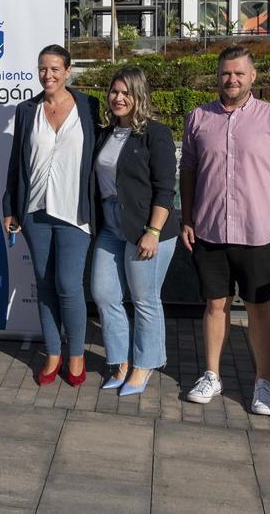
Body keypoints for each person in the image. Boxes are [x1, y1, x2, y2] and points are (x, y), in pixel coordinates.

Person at [179, 45, 270, 415]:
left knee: (258, 307)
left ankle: (263, 382)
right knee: (215, 305)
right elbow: (188, 171)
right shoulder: (198, 117)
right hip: (211, 231)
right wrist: (187, 218)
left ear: (252, 77)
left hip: (257, 233)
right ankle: (212, 374)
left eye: (238, 73)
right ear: (218, 77)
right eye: (225, 73)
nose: (231, 79)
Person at [3, 44, 100, 387]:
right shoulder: (27, 109)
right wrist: (9, 207)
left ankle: (76, 355)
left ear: (68, 71)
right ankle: (53, 353)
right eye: (43, 68)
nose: (48, 75)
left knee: (68, 285)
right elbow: (17, 162)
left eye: (55, 68)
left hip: (75, 212)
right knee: (44, 285)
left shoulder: (89, 106)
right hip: (35, 211)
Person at [90, 66, 179, 396]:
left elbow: (165, 188)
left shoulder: (155, 134)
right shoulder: (105, 133)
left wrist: (153, 231)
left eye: (126, 92)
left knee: (145, 300)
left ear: (139, 95)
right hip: (111, 225)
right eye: (114, 91)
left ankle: (144, 366)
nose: (118, 97)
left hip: (146, 226)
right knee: (104, 293)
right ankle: (120, 361)